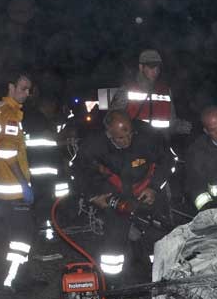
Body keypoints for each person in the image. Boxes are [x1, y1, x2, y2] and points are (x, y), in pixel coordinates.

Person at [72, 110, 175, 282]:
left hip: (144, 191)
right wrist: (93, 196)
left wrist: (154, 188)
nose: (127, 141)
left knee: (156, 234)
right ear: (108, 134)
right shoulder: (94, 145)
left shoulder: (148, 136)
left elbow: (168, 161)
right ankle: (113, 284)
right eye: (120, 138)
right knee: (115, 240)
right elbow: (77, 172)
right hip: (114, 196)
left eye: (129, 134)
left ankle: (156, 277)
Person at [0, 72, 39, 292]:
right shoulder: (8, 114)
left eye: (29, 90)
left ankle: (14, 278)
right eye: (23, 88)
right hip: (13, 191)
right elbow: (8, 153)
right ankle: (12, 282)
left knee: (9, 238)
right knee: (20, 240)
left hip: (0, 190)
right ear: (11, 87)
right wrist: (23, 184)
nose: (26, 93)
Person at [109, 49, 191, 135]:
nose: (156, 71)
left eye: (158, 67)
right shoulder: (126, 90)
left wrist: (183, 127)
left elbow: (171, 122)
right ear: (141, 67)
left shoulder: (165, 91)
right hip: (135, 142)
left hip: (160, 143)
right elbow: (112, 119)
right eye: (151, 67)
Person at [23, 93, 66, 248]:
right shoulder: (40, 121)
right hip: (43, 173)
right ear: (46, 105)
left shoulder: (30, 119)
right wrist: (63, 138)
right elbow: (50, 143)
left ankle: (41, 235)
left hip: (35, 171)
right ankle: (47, 238)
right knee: (45, 205)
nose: (53, 110)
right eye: (52, 107)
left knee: (39, 206)